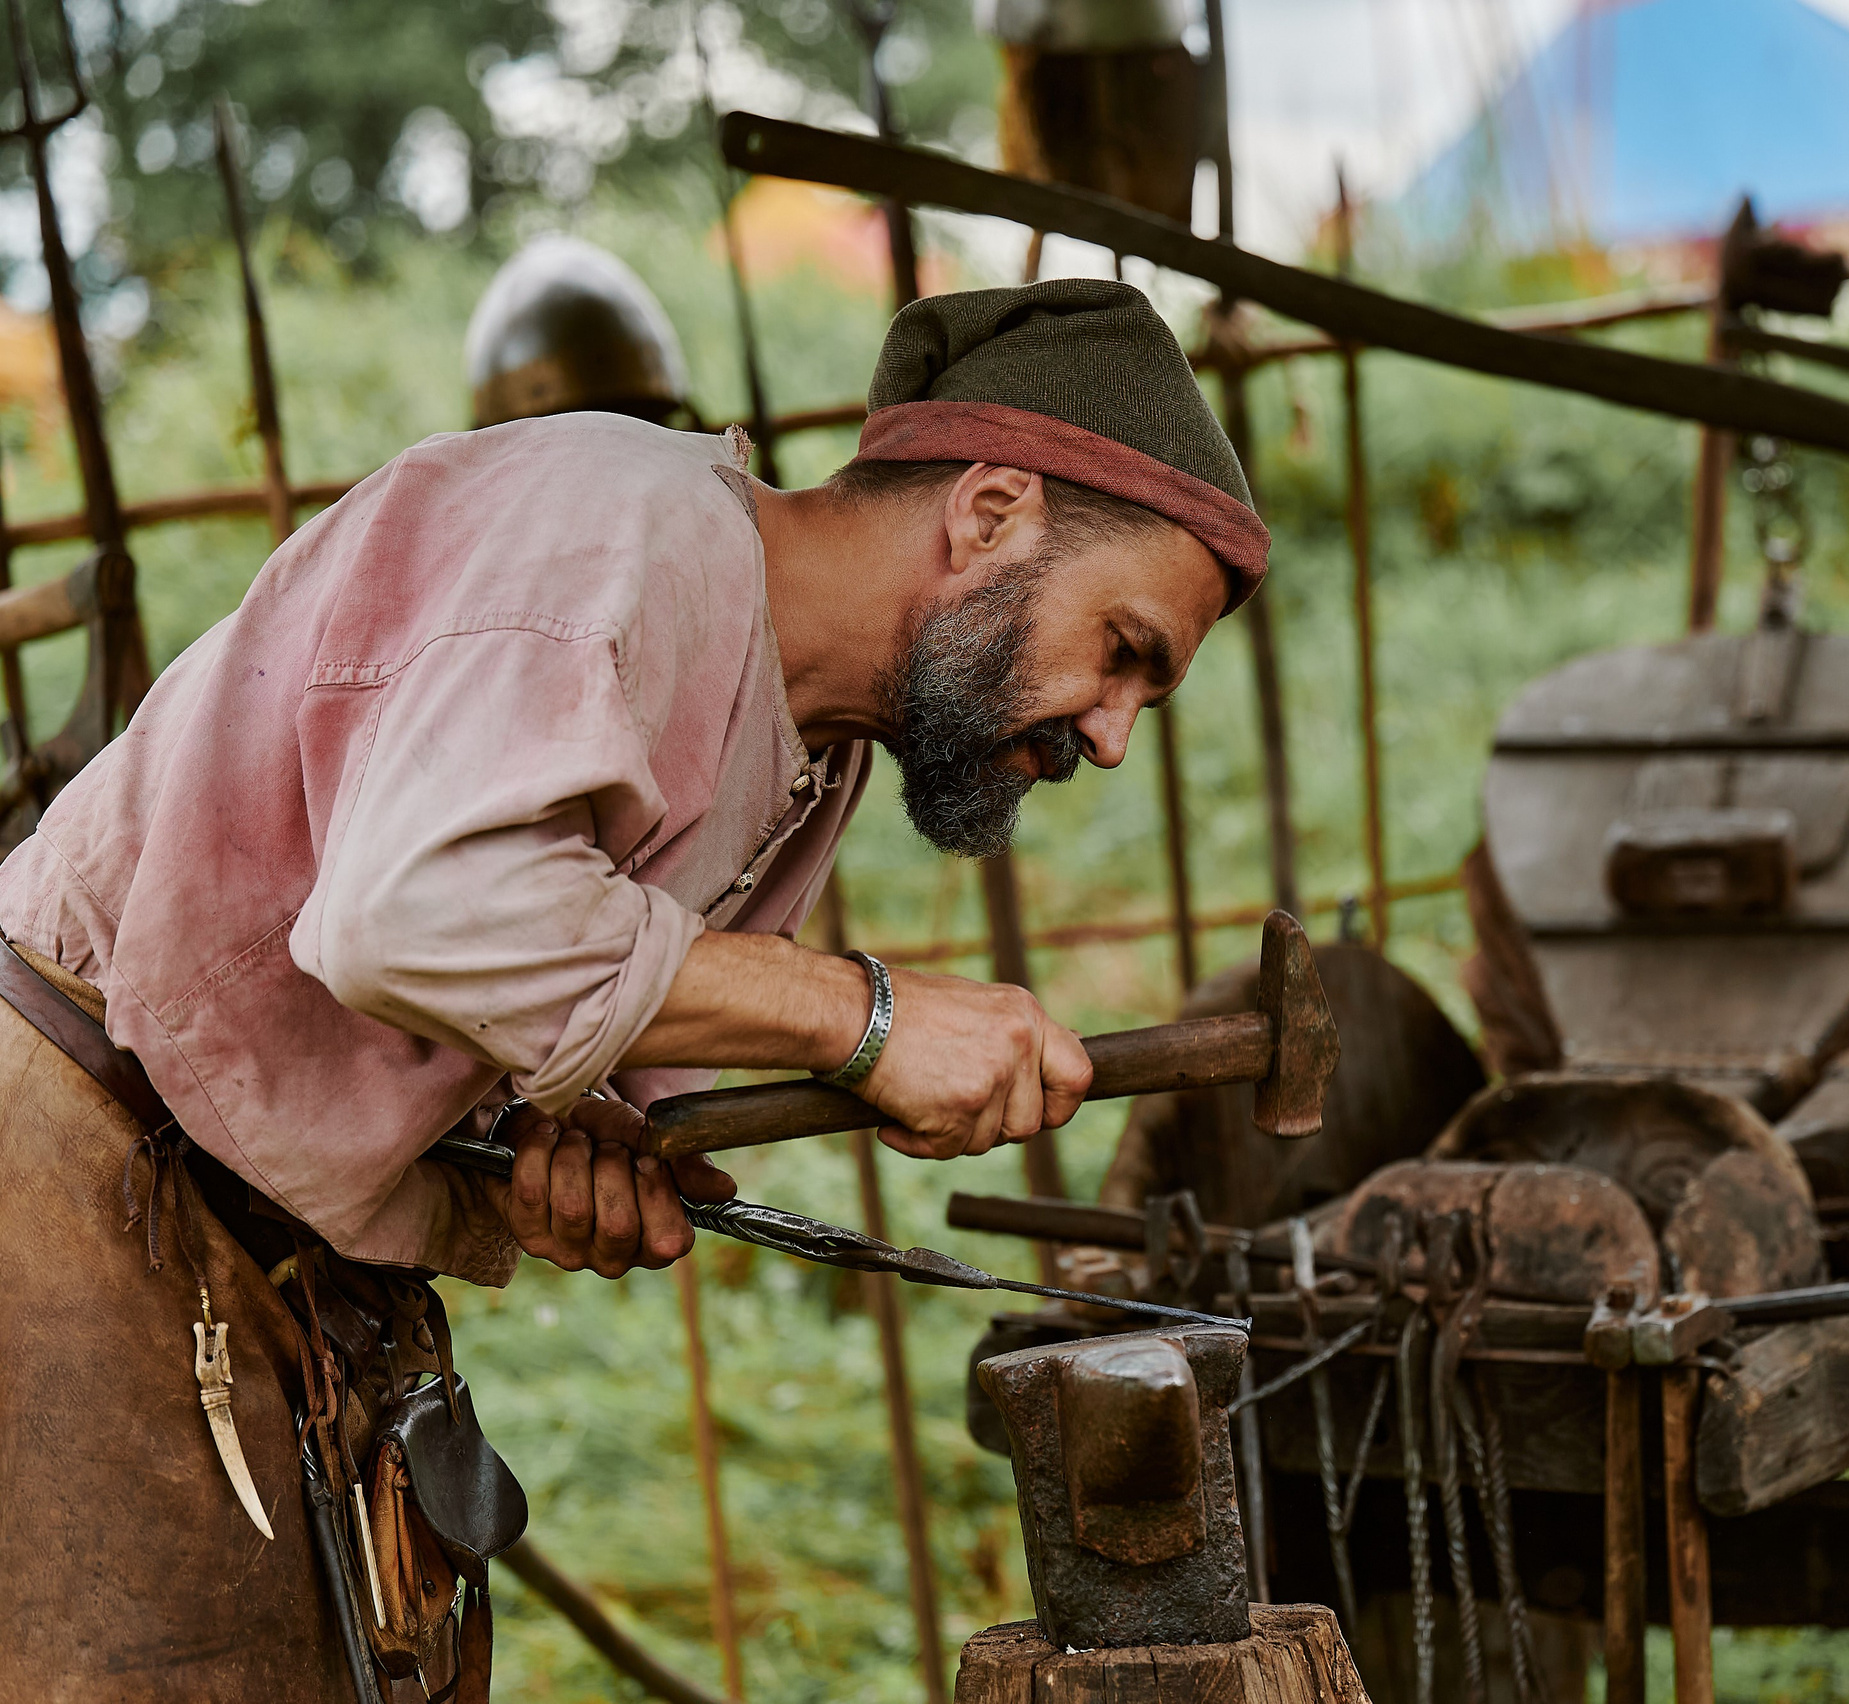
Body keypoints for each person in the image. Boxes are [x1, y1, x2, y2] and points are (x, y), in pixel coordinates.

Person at [0, 276, 1268, 1702]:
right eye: (1123, 654)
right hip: (70, 1169)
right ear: (988, 515)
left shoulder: (818, 754)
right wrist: (862, 1017)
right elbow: (406, 916)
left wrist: (572, 1142)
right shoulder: (624, 528)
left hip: (267, 1261)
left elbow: (551, 1010)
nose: (1109, 739)